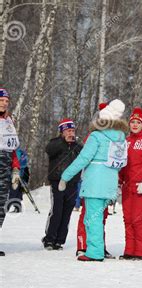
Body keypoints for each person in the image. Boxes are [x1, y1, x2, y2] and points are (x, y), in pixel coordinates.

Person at [60, 99, 128, 261]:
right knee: (97, 217)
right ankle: (96, 248)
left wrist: (65, 176)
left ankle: (95, 252)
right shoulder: (120, 138)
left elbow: (83, 158)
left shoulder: (97, 136)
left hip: (95, 183)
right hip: (110, 183)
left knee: (92, 218)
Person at [42, 119, 83, 250]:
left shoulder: (77, 146)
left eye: (72, 130)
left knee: (67, 212)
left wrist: (75, 143)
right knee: (57, 210)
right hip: (57, 182)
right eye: (68, 131)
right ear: (62, 132)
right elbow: (49, 150)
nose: (71, 133)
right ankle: (49, 239)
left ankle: (59, 240)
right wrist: (63, 141)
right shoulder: (55, 143)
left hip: (73, 184)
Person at [119, 107, 142, 260]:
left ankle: (140, 251)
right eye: (132, 121)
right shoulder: (125, 141)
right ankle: (129, 250)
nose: (134, 125)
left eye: (138, 122)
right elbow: (122, 164)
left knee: (137, 219)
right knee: (127, 218)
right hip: (127, 186)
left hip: (140, 186)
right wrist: (119, 180)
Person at [0, 88, 20, 256]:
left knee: (1, 205)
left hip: (5, 163)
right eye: (1, 101)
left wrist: (15, 168)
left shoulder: (9, 121)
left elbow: (13, 148)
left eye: (6, 101)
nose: (5, 104)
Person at [8, 148, 29, 212]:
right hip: (20, 174)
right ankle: (17, 206)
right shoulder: (20, 152)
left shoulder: (18, 152)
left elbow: (23, 164)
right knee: (18, 191)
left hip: (15, 175)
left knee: (14, 191)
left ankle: (10, 206)